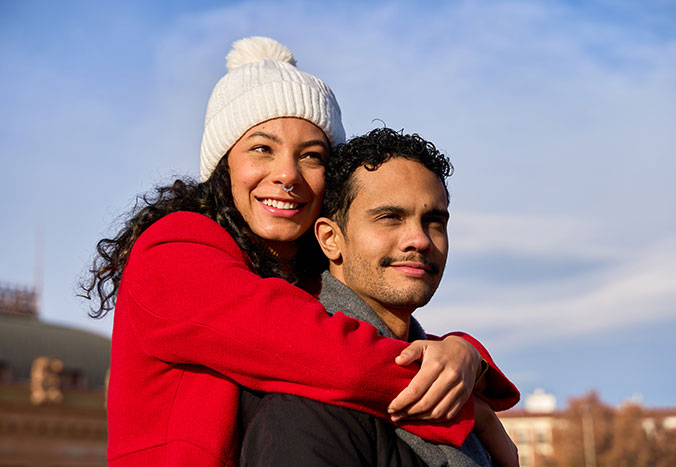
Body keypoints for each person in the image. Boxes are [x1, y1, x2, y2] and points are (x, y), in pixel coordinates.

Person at [81, 37, 519, 466]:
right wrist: (466, 406)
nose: (287, 174)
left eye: (311, 156)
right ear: (223, 164)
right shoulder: (174, 250)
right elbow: (339, 359)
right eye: (261, 149)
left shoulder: (300, 272)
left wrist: (467, 355)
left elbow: (370, 335)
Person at [238, 128, 518, 467]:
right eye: (390, 218)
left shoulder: (447, 381)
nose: (419, 240)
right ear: (330, 239)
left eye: (433, 221)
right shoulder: (304, 406)